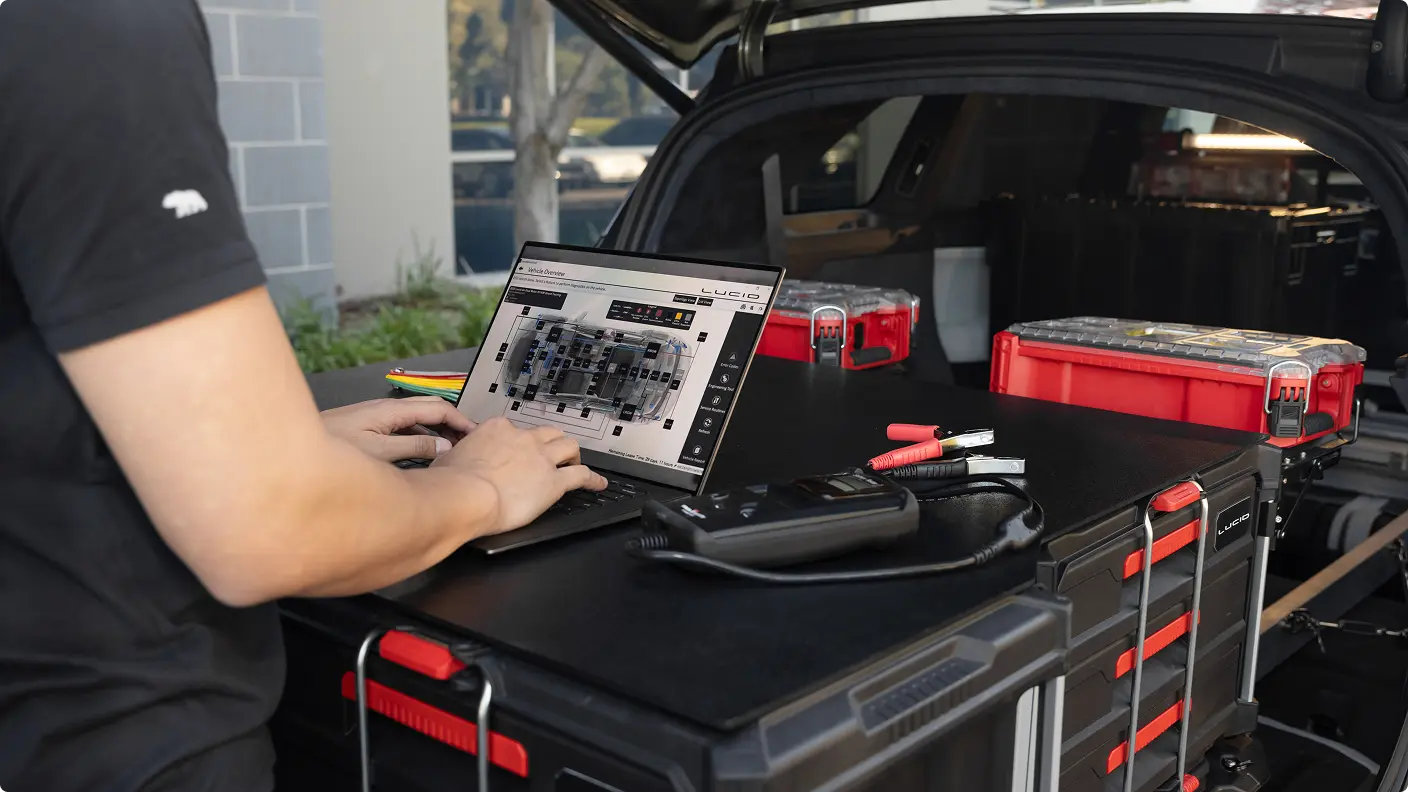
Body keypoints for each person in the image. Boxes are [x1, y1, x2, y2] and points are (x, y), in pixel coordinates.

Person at [0, 2, 606, 790]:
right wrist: (479, 488)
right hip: (111, 743)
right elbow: (269, 529)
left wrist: (266, 445)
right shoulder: (92, 26)